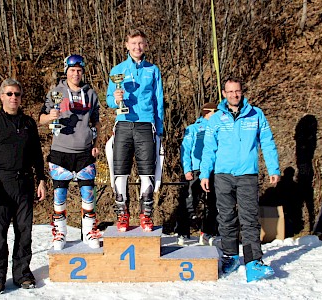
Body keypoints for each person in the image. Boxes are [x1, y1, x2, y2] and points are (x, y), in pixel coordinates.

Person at [200, 77, 280, 282]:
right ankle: (230, 256)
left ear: (241, 92)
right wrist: (204, 173)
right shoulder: (216, 119)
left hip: (247, 174)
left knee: (249, 218)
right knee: (226, 217)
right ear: (224, 94)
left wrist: (273, 168)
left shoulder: (256, 114)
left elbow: (267, 142)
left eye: (238, 91)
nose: (234, 95)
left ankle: (253, 262)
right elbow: (209, 148)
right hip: (223, 175)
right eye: (230, 91)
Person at [0, 78, 46, 294]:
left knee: (24, 231)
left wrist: (41, 179)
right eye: (9, 94)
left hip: (25, 183)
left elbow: (36, 153)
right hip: (0, 184)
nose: (13, 98)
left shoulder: (28, 123)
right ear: (1, 97)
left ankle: (22, 273)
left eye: (17, 94)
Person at [39, 54, 101, 250]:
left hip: (84, 152)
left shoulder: (90, 93)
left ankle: (89, 231)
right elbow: (41, 118)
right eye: (72, 70)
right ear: (66, 71)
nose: (76, 74)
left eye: (79, 70)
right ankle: (60, 233)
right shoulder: (55, 92)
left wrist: (96, 141)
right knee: (60, 195)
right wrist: (51, 116)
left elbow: (97, 121)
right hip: (61, 151)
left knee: (88, 193)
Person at [106, 28, 164, 232]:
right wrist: (116, 99)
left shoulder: (153, 70)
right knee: (120, 171)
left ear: (145, 45)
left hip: (146, 125)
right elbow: (108, 99)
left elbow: (159, 100)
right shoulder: (117, 70)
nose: (137, 47)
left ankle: (146, 215)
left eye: (141, 43)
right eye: (133, 43)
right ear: (127, 45)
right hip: (123, 124)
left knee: (147, 172)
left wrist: (160, 128)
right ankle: (122, 215)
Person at [175, 103, 218, 246]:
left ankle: (207, 232)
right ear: (207, 112)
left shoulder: (219, 129)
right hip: (196, 170)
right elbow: (185, 150)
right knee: (190, 202)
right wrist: (187, 168)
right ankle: (183, 232)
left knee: (213, 204)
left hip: (214, 170)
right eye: (215, 111)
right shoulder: (193, 129)